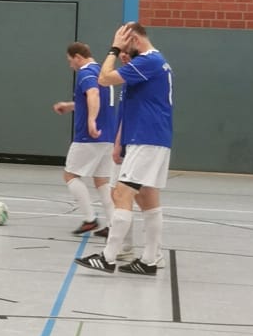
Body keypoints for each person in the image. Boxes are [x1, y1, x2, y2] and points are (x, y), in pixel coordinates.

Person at [77, 20, 173, 277]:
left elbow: (104, 78)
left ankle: (108, 257)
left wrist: (113, 49)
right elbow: (130, 107)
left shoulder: (150, 61)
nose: (121, 52)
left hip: (147, 138)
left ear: (134, 40)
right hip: (146, 138)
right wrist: (119, 143)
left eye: (124, 44)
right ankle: (150, 259)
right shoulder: (144, 66)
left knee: (121, 194)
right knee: (147, 198)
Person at [53, 42, 119, 237]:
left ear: (78, 57)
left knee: (70, 175)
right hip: (108, 135)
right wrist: (71, 106)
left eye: (70, 61)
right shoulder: (102, 72)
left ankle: (90, 219)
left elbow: (93, 94)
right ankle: (114, 224)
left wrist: (91, 120)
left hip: (89, 136)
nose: (70, 65)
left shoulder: (86, 72)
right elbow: (93, 98)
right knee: (102, 180)